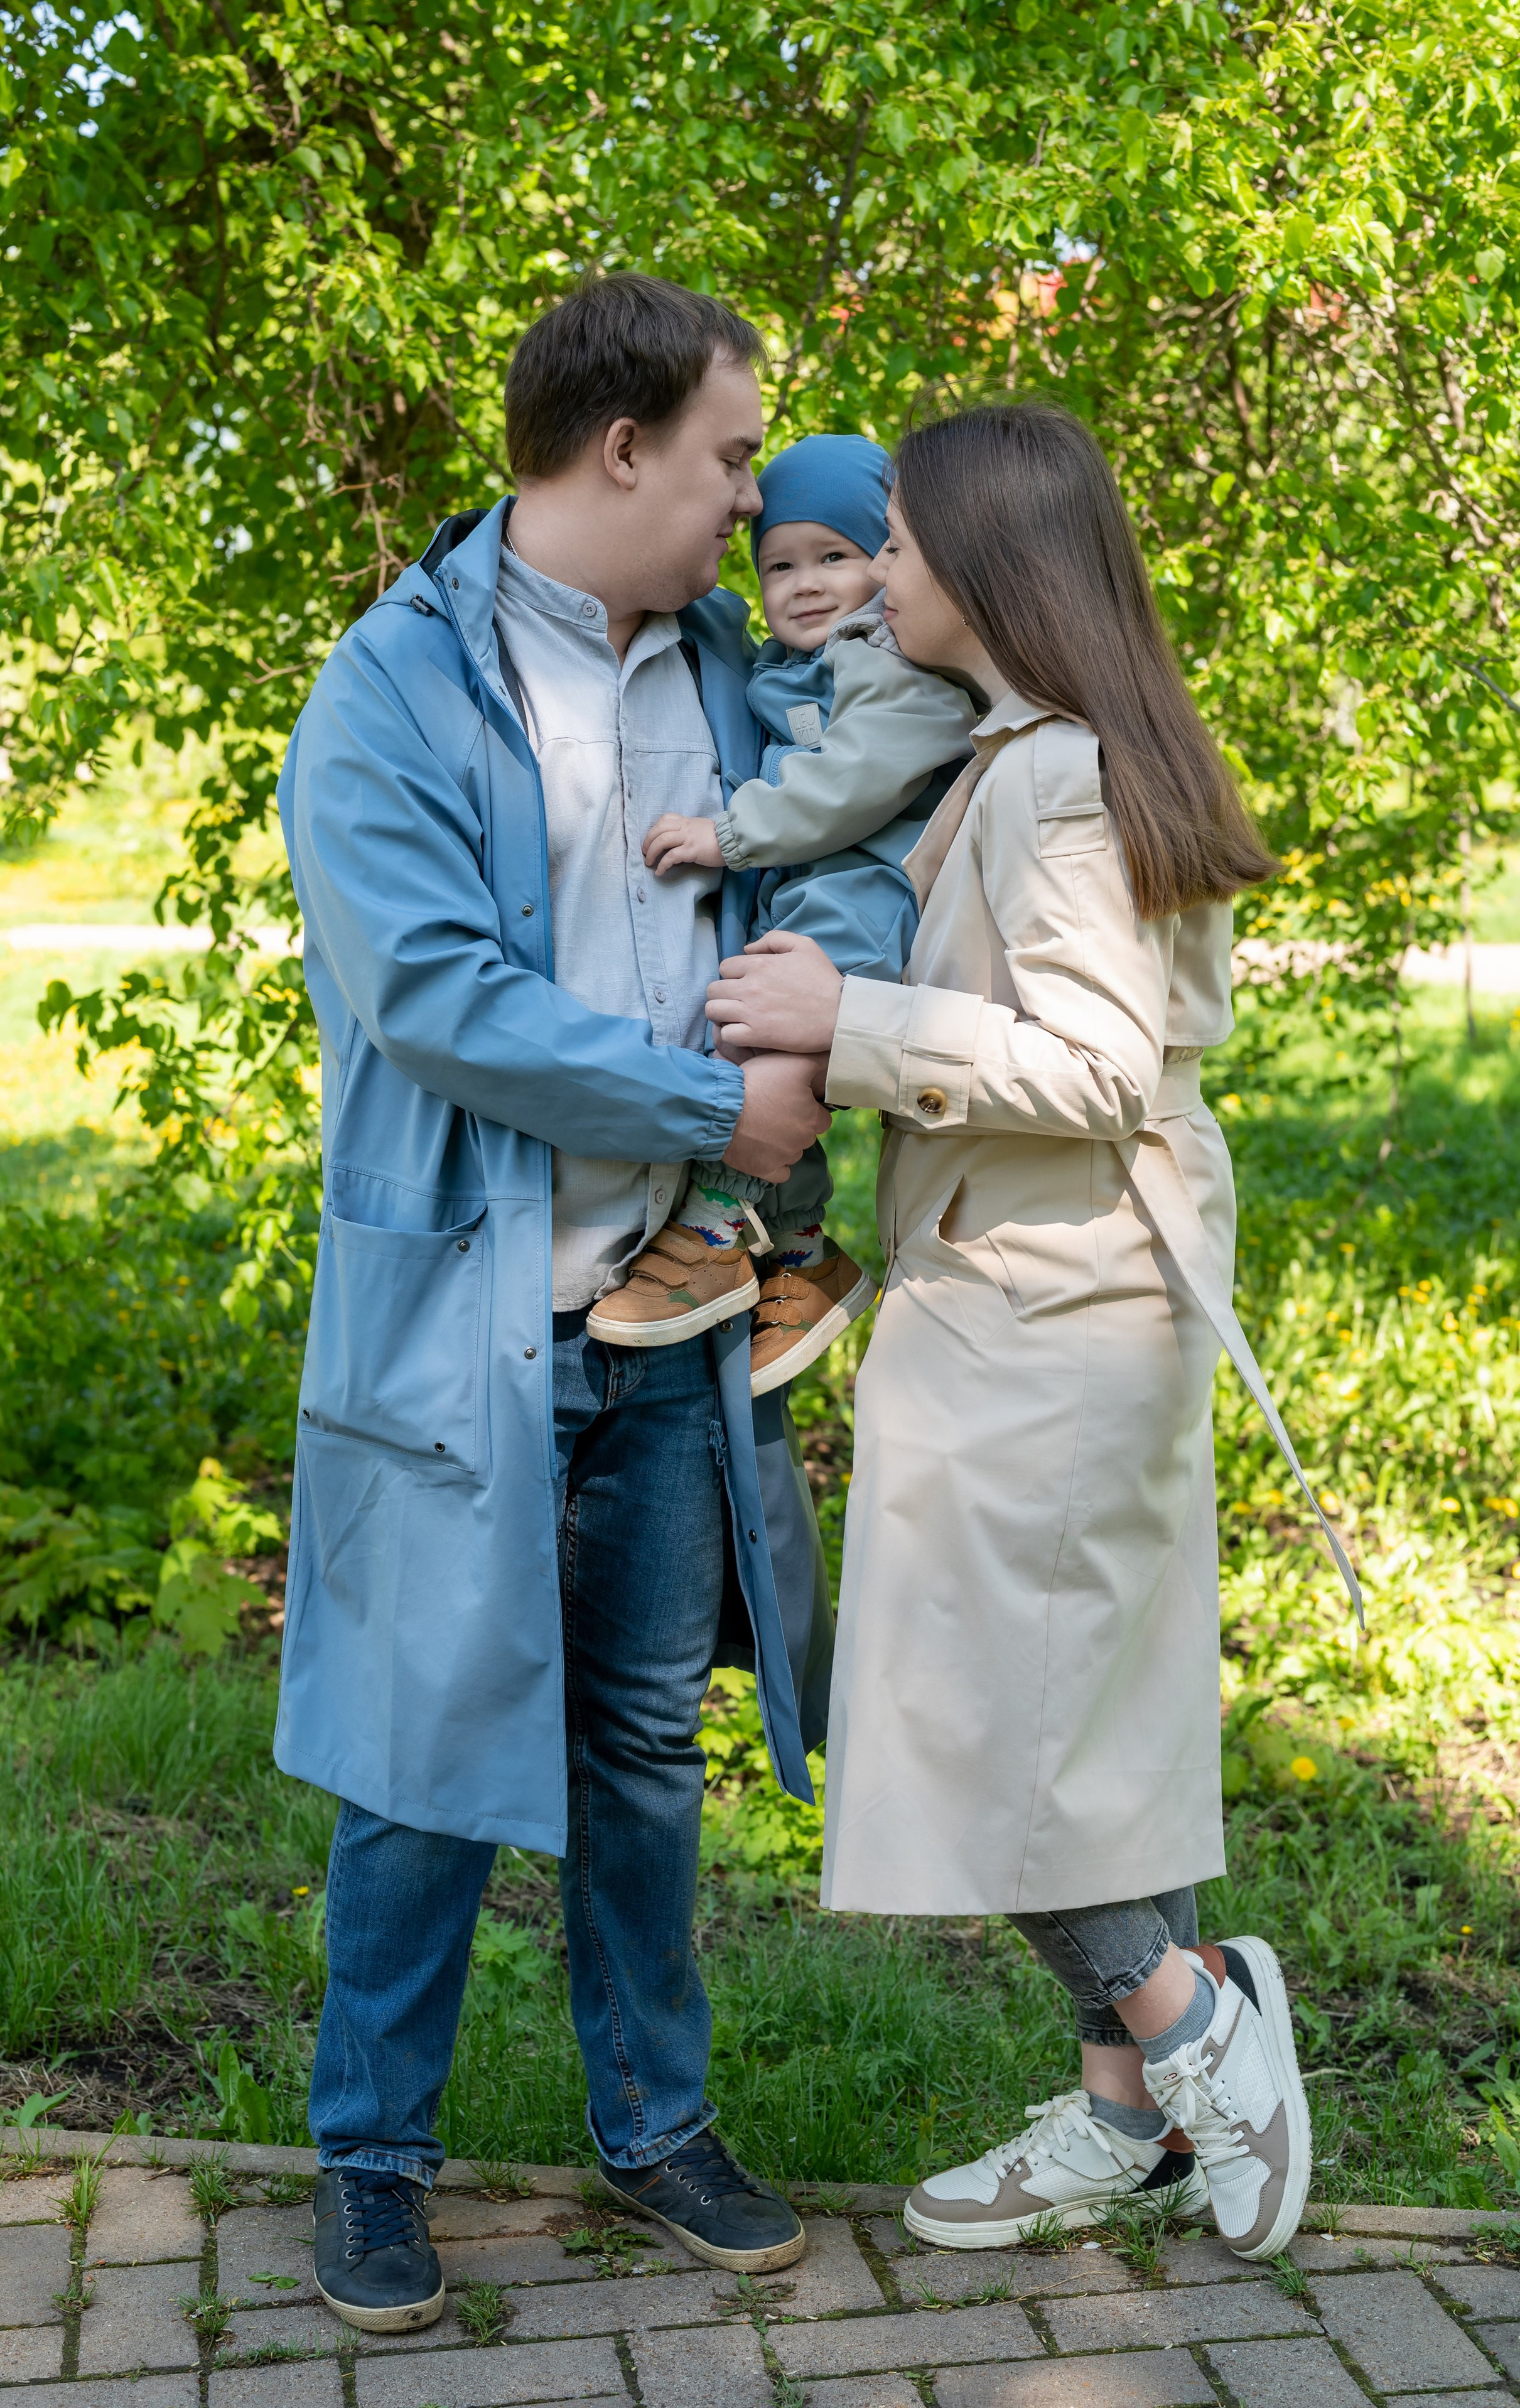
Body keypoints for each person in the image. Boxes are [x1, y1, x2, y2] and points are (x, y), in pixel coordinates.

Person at [275, 273, 922, 2332]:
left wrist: (817, 1050)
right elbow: (437, 995)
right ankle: (372, 2160)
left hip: (680, 1322)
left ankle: (656, 2126)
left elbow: (845, 841)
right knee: (420, 1757)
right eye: (735, 455)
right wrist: (708, 1101)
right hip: (467, 1320)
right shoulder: (394, 688)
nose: (758, 502)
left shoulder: (739, 671)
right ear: (620, 444)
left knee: (643, 1751)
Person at [704, 397, 1328, 2265]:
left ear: (987, 562)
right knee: (1087, 1723)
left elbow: (1097, 1062)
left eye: (895, 542)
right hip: (1042, 1283)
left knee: (991, 1723)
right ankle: (1127, 2113)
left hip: (1052, 1295)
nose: (869, 570)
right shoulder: (1028, 750)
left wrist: (850, 1015)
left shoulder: (1053, 776)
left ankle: (1195, 2025)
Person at [589, 434, 976, 1395]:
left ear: (885, 564)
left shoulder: (891, 664)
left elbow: (853, 782)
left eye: (835, 556)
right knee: (763, 1045)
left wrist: (728, 833)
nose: (805, 583)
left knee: (779, 1060)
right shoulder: (788, 664)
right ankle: (801, 1256)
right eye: (779, 566)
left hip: (866, 902)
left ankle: (716, 1226)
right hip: (810, 898)